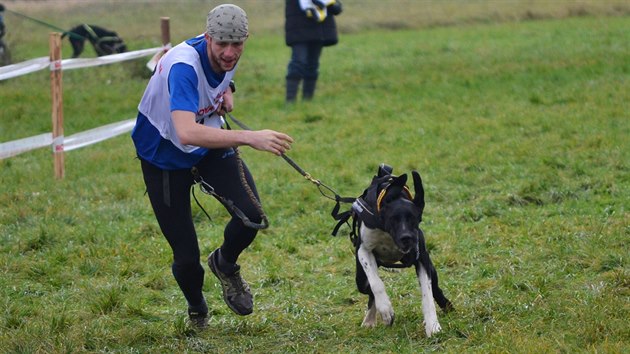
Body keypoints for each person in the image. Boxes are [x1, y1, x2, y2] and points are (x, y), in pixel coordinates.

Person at [131, 4, 294, 327]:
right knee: (187, 258)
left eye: (238, 44)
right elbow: (187, 132)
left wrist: (228, 88)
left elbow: (219, 74)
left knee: (252, 218)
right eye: (222, 45)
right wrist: (248, 137)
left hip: (208, 147)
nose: (230, 52)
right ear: (208, 38)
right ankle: (197, 308)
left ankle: (225, 264)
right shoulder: (183, 67)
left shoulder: (228, 51)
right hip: (163, 156)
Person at [284, 0, 342, 102]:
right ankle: (290, 101)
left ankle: (307, 101)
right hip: (299, 30)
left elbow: (336, 9)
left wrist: (331, 4)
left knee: (313, 65)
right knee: (298, 62)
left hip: (318, 29)